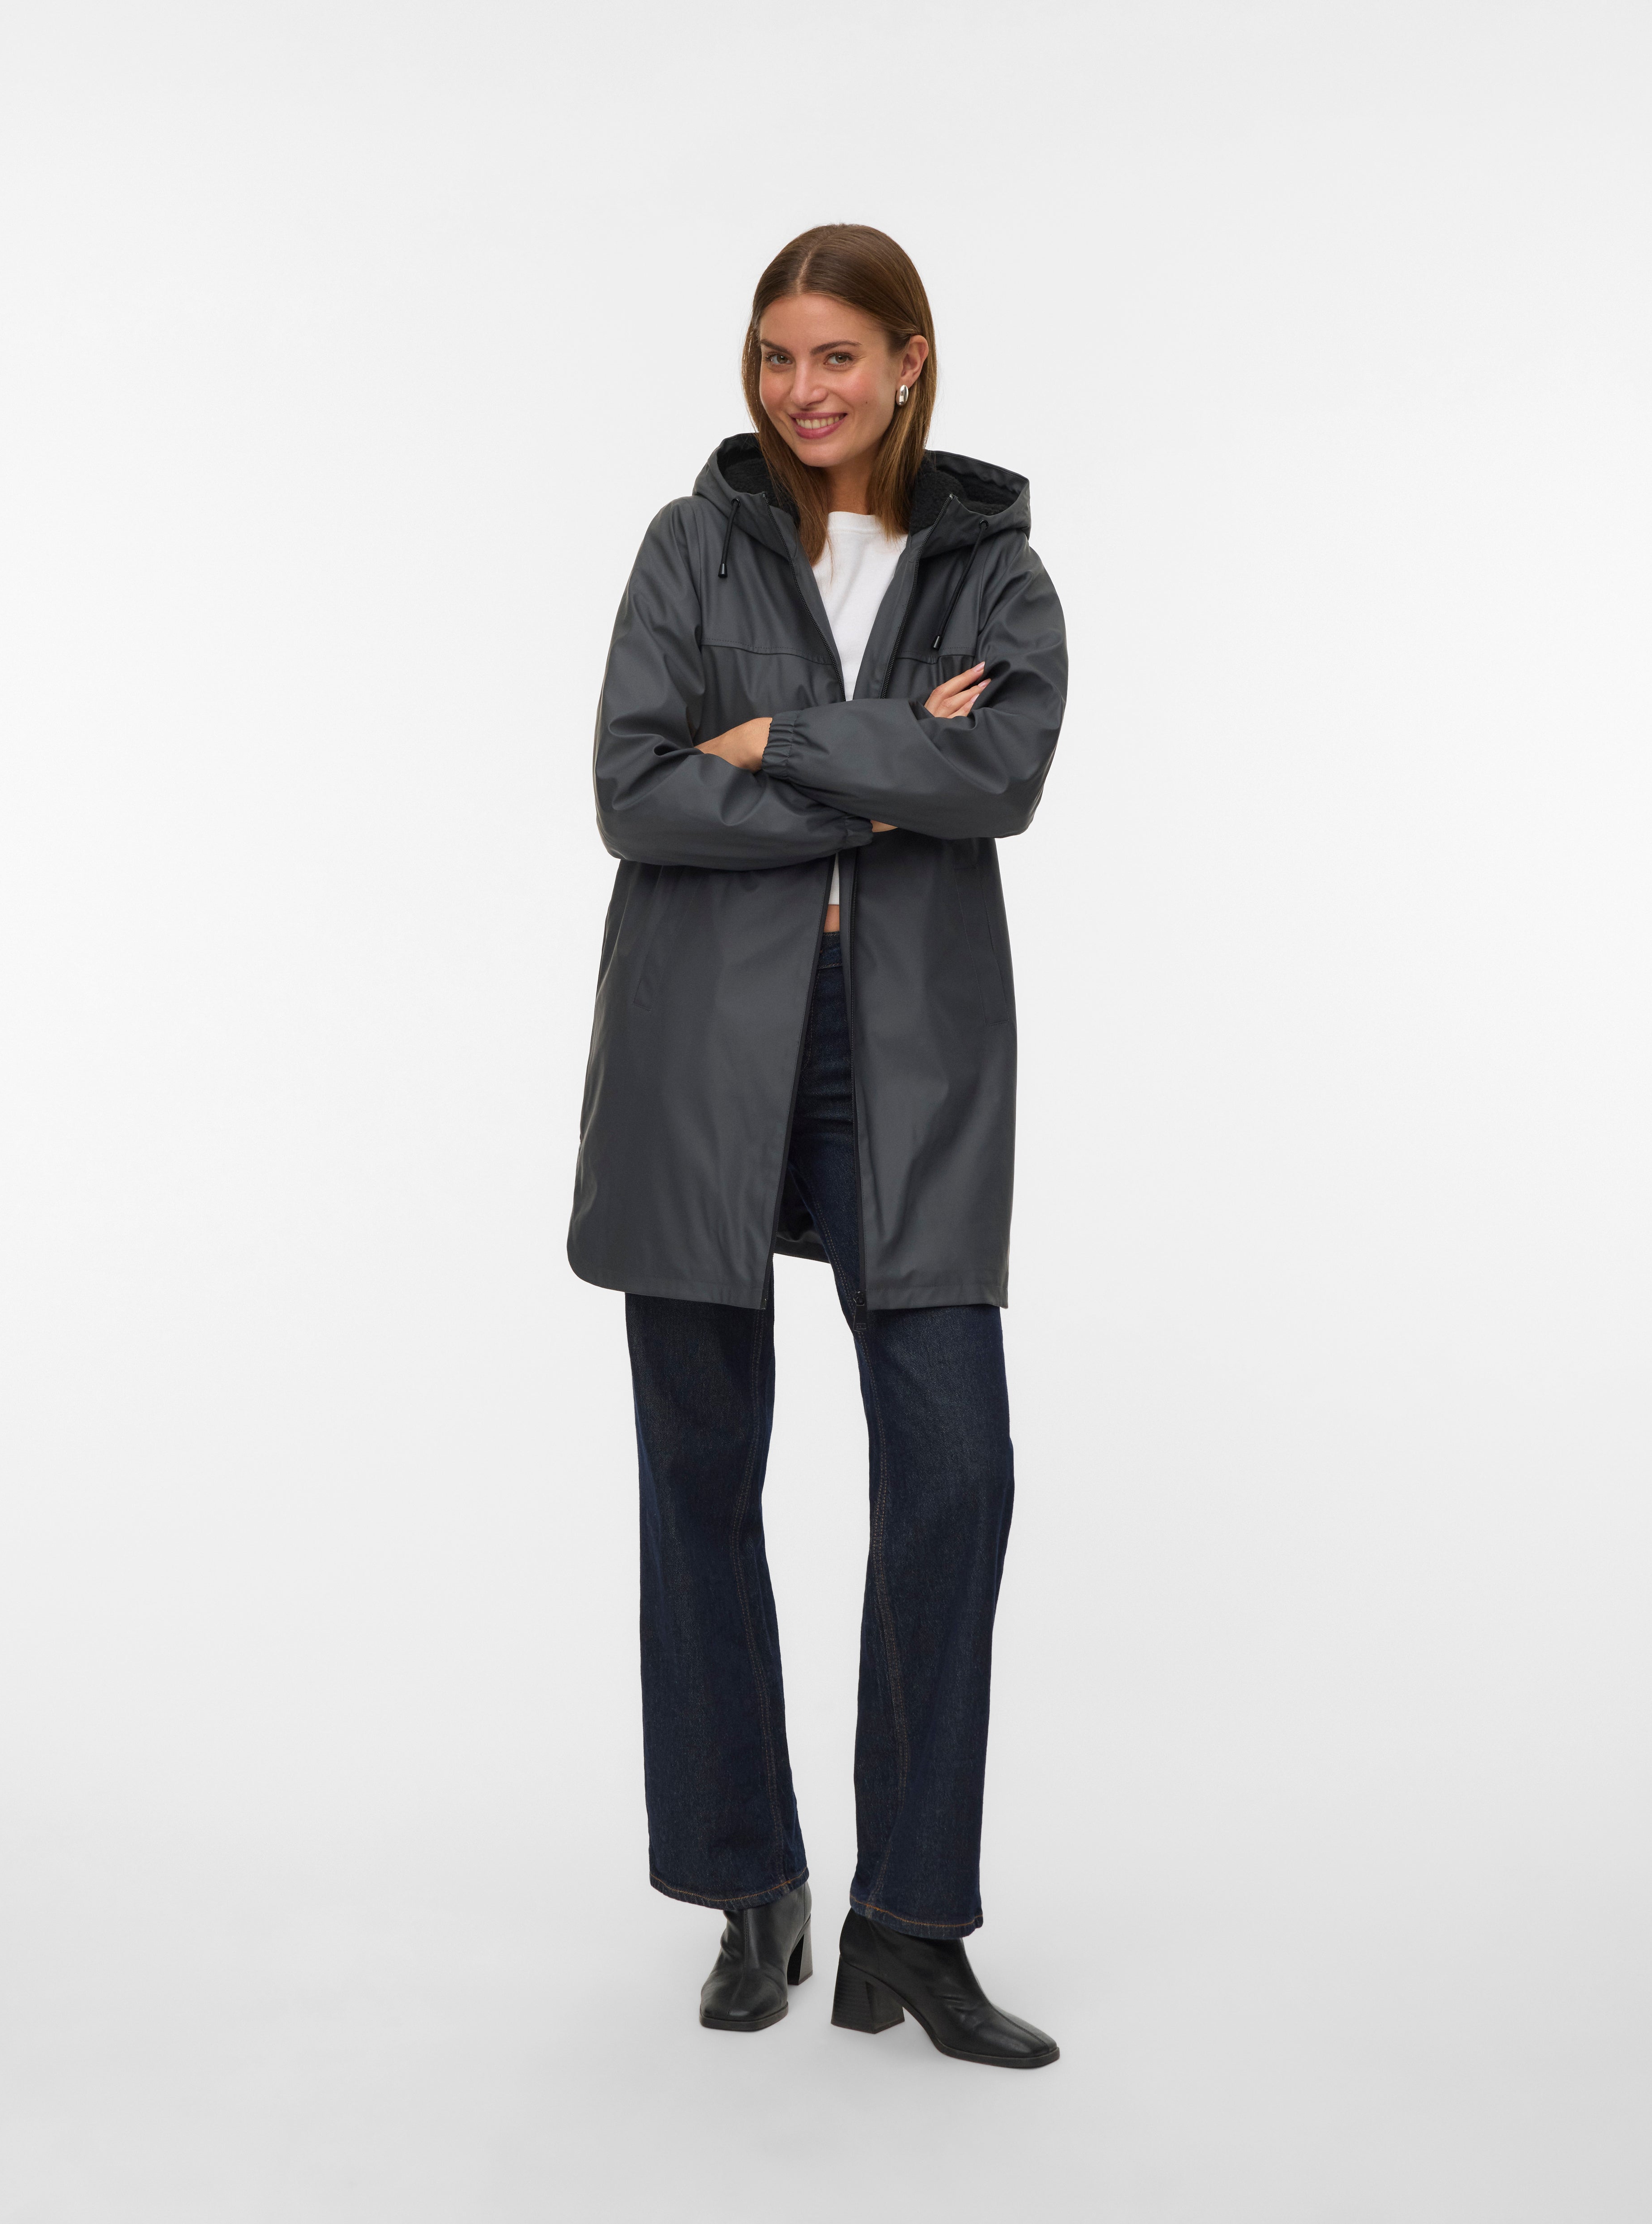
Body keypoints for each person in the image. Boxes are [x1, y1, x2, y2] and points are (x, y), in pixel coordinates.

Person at [568, 224, 1067, 2068]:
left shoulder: (992, 565)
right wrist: (876, 767)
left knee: (955, 1472)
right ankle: (746, 1885)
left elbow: (1001, 774)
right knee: (699, 1474)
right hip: (704, 1053)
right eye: (777, 356)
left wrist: (773, 737)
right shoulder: (688, 544)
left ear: (910, 360)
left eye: (838, 355)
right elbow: (634, 790)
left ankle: (910, 1924)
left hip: (905, 1058)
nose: (802, 390)